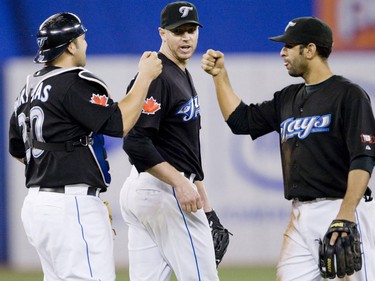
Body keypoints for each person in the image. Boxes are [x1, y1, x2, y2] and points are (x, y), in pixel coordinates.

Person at [201, 16, 375, 281]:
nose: (282, 52)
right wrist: (219, 77)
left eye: (289, 46)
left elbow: (363, 158)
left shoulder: (349, 95)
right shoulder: (288, 98)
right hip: (300, 215)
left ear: (310, 50)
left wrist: (346, 215)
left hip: (342, 208)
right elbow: (241, 121)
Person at [8, 12, 162, 281]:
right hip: (69, 206)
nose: (86, 44)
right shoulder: (73, 81)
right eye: (82, 38)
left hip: (38, 205)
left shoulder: (29, 87)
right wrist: (145, 77)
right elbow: (120, 124)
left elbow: (18, 150)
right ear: (70, 45)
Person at [119, 2, 222, 280]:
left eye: (191, 30)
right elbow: (135, 142)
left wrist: (205, 201)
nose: (186, 37)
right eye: (178, 31)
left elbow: (185, 148)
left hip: (152, 192)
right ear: (162, 33)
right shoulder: (156, 74)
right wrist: (179, 182)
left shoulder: (181, 72)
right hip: (163, 191)